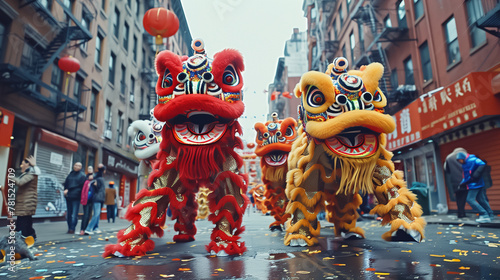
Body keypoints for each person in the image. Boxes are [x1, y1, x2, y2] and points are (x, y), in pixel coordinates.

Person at [457, 152, 494, 223]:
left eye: (459, 160)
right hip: (475, 183)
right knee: (481, 200)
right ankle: (490, 214)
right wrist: (462, 183)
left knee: (470, 199)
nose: (459, 161)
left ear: (462, 158)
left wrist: (477, 173)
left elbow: (482, 163)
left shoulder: (472, 159)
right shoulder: (464, 164)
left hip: (474, 184)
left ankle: (484, 215)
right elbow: (466, 175)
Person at [13, 156, 38, 240]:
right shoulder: (29, 174)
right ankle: (30, 237)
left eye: (22, 163)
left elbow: (20, 182)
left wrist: (11, 177)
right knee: (26, 221)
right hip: (26, 203)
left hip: (27, 203)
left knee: (23, 222)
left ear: (27, 164)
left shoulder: (31, 174)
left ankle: (23, 239)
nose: (20, 166)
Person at [444, 147, 468, 218]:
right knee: (464, 197)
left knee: (458, 197)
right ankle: (462, 212)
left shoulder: (449, 157)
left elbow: (446, 169)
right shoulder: (465, 155)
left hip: (454, 181)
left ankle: (460, 213)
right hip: (464, 180)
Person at [63, 162, 86, 234]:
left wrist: (68, 190)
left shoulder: (82, 176)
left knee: (74, 214)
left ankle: (72, 229)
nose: (77, 167)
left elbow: (81, 187)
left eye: (79, 166)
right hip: (68, 196)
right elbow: (66, 184)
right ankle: (69, 227)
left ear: (81, 167)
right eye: (76, 165)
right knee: (69, 214)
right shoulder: (70, 174)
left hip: (76, 197)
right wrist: (65, 190)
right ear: (73, 166)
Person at [85, 164, 106, 235]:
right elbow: (96, 188)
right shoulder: (98, 178)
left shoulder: (99, 178)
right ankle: (88, 229)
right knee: (96, 214)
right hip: (97, 198)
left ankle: (95, 228)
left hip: (99, 198)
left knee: (97, 214)